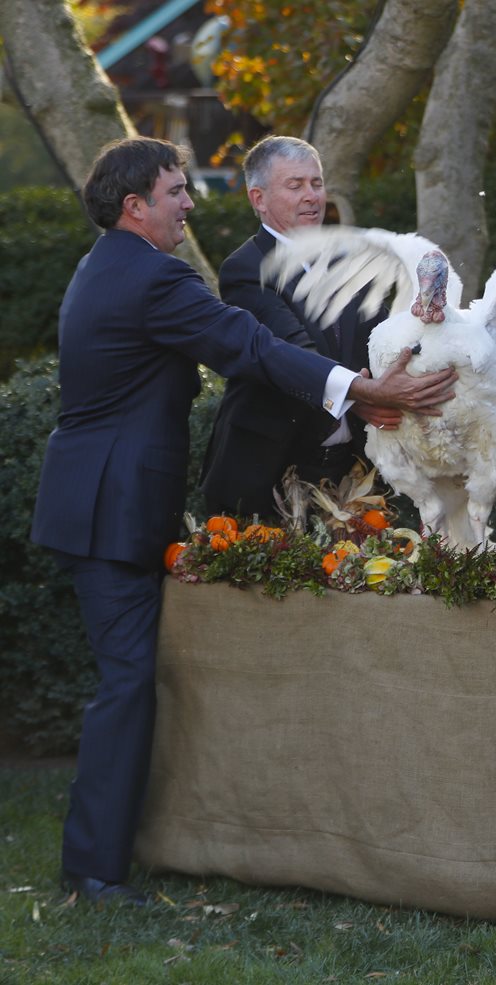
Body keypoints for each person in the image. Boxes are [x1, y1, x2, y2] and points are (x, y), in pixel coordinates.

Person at [30, 137, 457, 907]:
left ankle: (132, 846)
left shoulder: (109, 268)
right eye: (176, 192)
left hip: (101, 502)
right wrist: (359, 388)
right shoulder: (155, 277)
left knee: (138, 681)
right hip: (111, 508)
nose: (189, 202)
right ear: (136, 206)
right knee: (128, 685)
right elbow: (248, 344)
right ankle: (93, 871)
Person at [201, 135, 391, 517]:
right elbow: (293, 352)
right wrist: (362, 396)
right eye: (295, 185)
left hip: (351, 472)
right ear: (259, 199)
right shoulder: (245, 269)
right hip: (268, 471)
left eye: (316, 183)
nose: (312, 196)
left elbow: (382, 337)